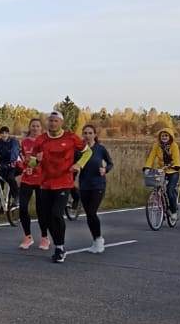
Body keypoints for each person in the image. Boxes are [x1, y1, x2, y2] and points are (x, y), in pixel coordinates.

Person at [27, 111, 91, 263]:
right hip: (45, 183)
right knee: (46, 218)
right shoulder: (41, 139)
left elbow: (87, 151)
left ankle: (60, 247)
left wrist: (78, 164)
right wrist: (35, 161)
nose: (52, 123)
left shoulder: (70, 137)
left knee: (56, 214)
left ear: (61, 123)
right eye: (50, 121)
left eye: (55, 121)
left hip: (63, 182)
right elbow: (32, 161)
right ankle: (57, 243)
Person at [76, 125, 114, 253]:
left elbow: (110, 163)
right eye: (85, 133)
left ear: (94, 135)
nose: (87, 135)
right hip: (84, 185)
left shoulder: (100, 149)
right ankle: (95, 240)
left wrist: (105, 169)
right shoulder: (79, 150)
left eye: (90, 133)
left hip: (98, 184)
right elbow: (74, 166)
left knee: (92, 212)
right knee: (89, 214)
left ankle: (99, 239)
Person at [143, 127, 180, 225]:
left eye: (166, 135)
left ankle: (173, 211)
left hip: (173, 170)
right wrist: (147, 167)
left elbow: (176, 158)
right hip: (162, 170)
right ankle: (162, 203)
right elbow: (151, 157)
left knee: (169, 190)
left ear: (170, 137)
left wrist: (176, 165)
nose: (164, 137)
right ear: (159, 137)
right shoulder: (157, 146)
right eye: (162, 136)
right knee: (157, 186)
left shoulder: (174, 146)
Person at [16, 118, 45, 250]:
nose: (35, 128)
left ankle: (44, 237)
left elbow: (46, 160)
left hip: (41, 179)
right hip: (27, 179)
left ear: (41, 128)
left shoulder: (45, 141)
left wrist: (34, 166)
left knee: (41, 210)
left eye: (37, 126)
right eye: (33, 126)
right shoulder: (25, 142)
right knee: (22, 208)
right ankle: (28, 237)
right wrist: (23, 168)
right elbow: (20, 158)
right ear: (30, 127)